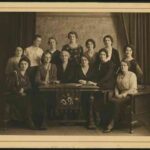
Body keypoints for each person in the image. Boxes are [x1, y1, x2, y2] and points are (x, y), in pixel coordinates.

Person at [103, 60, 137, 133]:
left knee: (116, 102)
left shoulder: (132, 75)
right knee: (110, 100)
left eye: (124, 65)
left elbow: (133, 88)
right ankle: (109, 121)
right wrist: (117, 94)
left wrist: (124, 94)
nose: (122, 67)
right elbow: (116, 86)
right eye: (121, 65)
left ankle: (112, 124)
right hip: (119, 94)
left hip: (129, 95)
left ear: (128, 66)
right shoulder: (119, 75)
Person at [6, 56, 35, 130]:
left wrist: (23, 89)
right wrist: (19, 92)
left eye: (25, 64)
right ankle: (29, 121)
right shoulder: (15, 74)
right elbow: (10, 87)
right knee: (26, 101)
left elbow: (29, 85)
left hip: (24, 94)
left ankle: (29, 120)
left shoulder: (27, 75)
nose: (23, 66)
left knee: (30, 99)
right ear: (19, 65)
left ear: (28, 65)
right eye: (22, 64)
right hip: (14, 95)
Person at [35, 51, 58, 130]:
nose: (47, 59)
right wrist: (43, 82)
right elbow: (37, 80)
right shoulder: (40, 67)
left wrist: (53, 81)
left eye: (49, 57)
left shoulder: (54, 66)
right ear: (43, 58)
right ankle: (43, 121)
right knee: (43, 101)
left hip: (51, 89)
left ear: (51, 58)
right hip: (42, 89)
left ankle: (50, 118)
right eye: (46, 57)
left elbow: (54, 78)